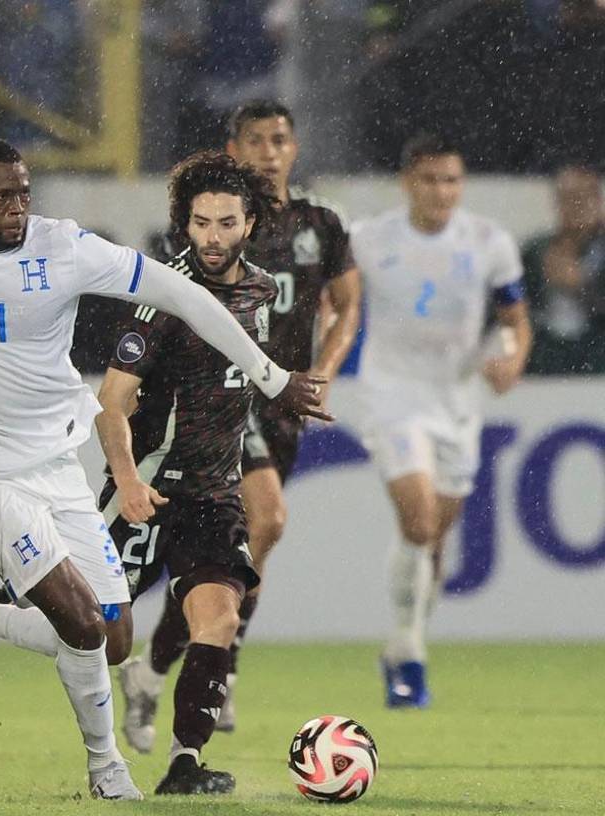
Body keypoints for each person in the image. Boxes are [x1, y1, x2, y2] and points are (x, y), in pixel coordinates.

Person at [0, 137, 329, 799]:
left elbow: (186, 296)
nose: (15, 207)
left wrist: (271, 377)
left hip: (59, 467)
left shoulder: (64, 246)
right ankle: (108, 772)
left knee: (115, 635)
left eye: (23, 192)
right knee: (84, 625)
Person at [117, 100, 361, 745]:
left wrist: (324, 370)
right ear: (234, 148)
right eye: (254, 140)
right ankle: (210, 668)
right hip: (223, 400)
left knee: (248, 552)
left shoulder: (321, 224)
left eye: (279, 139)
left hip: (283, 405)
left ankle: (163, 667)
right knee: (269, 518)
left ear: (295, 146)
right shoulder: (215, 225)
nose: (268, 151)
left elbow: (348, 305)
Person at [94, 151, 282, 795]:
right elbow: (112, 400)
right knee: (92, 631)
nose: (212, 237)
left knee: (221, 619)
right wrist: (124, 480)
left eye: (226, 223)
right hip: (148, 486)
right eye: (201, 223)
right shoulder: (161, 297)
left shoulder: (264, 292)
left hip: (213, 495)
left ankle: (184, 765)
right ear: (186, 223)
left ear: (250, 223)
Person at [350, 134, 530, 707]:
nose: (441, 191)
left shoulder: (488, 243)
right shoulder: (370, 240)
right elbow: (337, 302)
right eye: (430, 180)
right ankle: (410, 653)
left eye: (451, 180)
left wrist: (512, 358)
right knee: (421, 518)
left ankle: (405, 641)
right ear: (408, 183)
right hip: (391, 395)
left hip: (457, 402)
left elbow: (516, 320)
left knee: (432, 542)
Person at [520, 165, 605, 375]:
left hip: (596, 349)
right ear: (557, 203)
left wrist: (582, 288)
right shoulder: (536, 250)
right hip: (546, 352)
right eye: (569, 198)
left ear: (599, 202)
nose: (577, 206)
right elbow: (515, 308)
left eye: (585, 198)